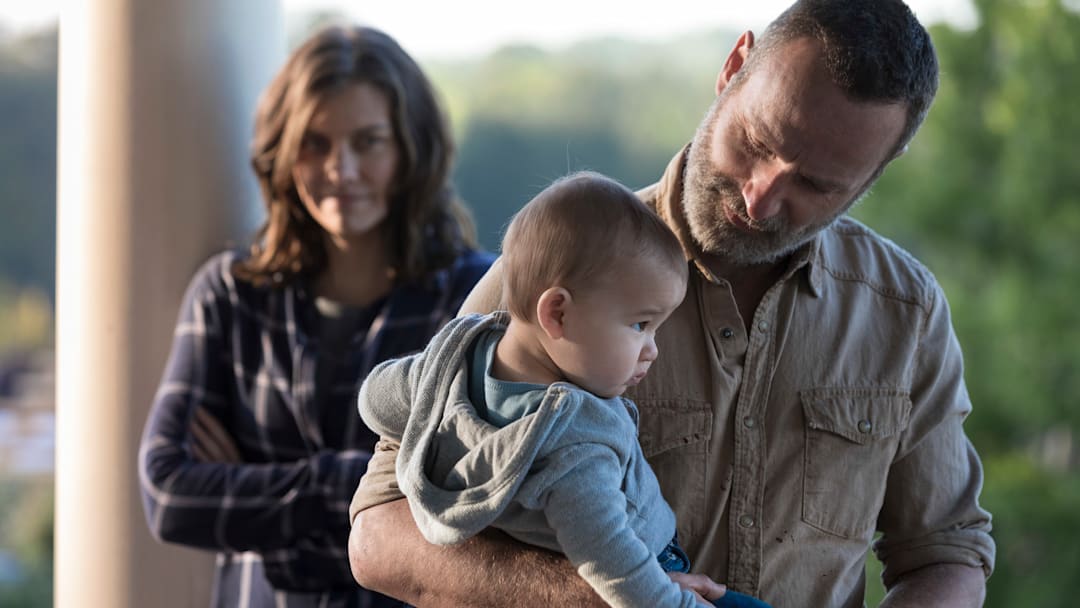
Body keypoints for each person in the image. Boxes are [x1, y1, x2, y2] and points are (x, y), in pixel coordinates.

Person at [346, 1, 996, 607]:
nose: (760, 198)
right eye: (757, 142)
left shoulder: (904, 312)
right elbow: (379, 536)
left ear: (883, 166)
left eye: (816, 185)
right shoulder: (561, 266)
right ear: (733, 67)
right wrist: (594, 594)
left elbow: (947, 552)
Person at [138, 25, 494, 608]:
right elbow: (170, 497)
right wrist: (374, 489)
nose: (341, 169)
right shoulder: (229, 296)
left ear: (410, 147)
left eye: (368, 141)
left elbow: (479, 507)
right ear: (283, 149)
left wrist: (261, 507)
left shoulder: (473, 300)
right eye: (316, 143)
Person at [356, 172, 770, 607]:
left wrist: (435, 414)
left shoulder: (455, 358)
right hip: (654, 573)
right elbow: (618, 569)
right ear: (557, 313)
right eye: (639, 325)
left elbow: (374, 400)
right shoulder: (576, 446)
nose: (652, 351)